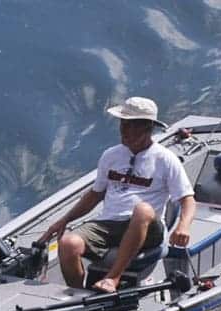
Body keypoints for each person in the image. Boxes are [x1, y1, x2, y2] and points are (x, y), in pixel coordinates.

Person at [37, 97, 196, 293]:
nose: (123, 130)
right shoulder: (110, 155)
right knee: (69, 243)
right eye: (123, 124)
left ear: (147, 127)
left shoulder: (165, 159)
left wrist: (184, 225)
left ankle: (113, 278)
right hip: (109, 224)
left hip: (147, 227)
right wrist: (63, 220)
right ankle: (78, 297)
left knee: (143, 210)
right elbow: (95, 194)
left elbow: (187, 199)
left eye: (130, 125)